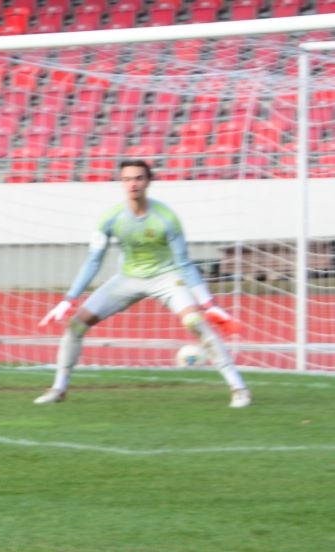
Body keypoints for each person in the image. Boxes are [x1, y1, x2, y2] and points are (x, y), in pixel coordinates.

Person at [36, 159, 249, 408]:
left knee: (195, 323)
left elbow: (184, 262)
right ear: (121, 183)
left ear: (148, 182)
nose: (132, 184)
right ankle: (58, 389)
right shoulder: (111, 218)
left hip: (167, 276)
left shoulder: (166, 218)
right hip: (128, 278)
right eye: (127, 179)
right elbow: (94, 261)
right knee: (76, 325)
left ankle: (239, 388)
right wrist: (69, 299)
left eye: (138, 178)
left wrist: (208, 303)